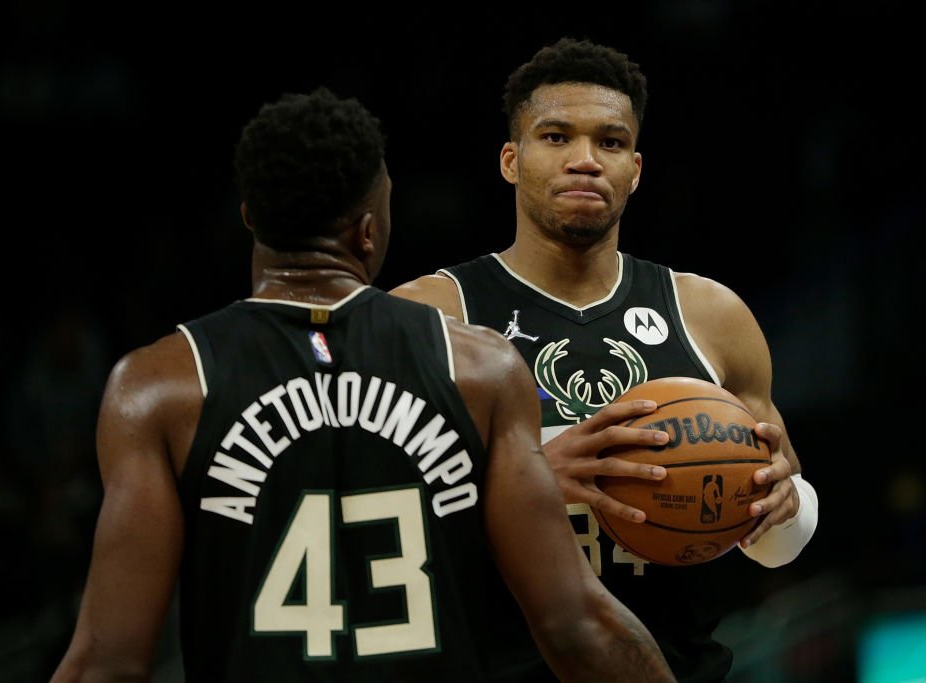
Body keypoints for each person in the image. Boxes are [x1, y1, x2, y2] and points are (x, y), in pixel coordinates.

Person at [49, 87, 676, 682]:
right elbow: (575, 625)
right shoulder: (481, 368)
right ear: (369, 229)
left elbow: (110, 664)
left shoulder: (161, 386)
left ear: (250, 217)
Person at [391, 37, 819, 682]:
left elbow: (777, 544)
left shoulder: (711, 313)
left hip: (676, 666)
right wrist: (525, 485)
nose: (585, 161)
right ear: (512, 160)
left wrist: (784, 504)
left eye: (611, 143)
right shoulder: (424, 315)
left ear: (637, 169)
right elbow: (365, 514)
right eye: (557, 137)